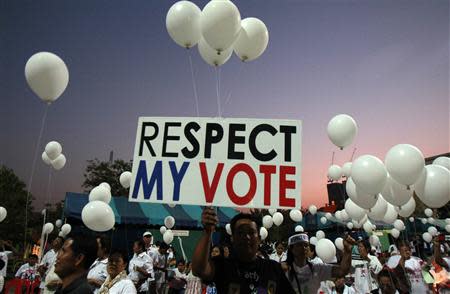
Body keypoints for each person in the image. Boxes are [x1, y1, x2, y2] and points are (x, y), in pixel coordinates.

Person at [192, 208, 296, 293]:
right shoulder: (222, 266)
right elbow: (199, 270)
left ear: (259, 239)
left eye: (251, 232)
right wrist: (207, 231)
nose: (246, 237)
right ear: (232, 238)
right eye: (240, 232)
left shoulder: (273, 268)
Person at [284, 232, 355, 293]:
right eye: (299, 245)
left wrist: (347, 251)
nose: (304, 248)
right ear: (291, 248)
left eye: (306, 245)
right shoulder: (284, 269)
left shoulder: (317, 268)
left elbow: (342, 271)